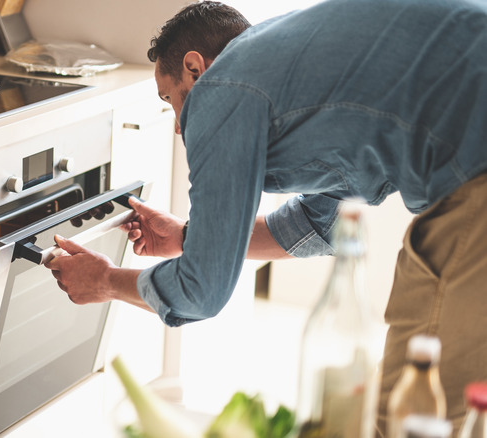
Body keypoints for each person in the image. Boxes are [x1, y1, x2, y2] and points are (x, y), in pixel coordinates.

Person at [45, 0, 487, 434]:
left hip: (474, 174)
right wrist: (187, 237)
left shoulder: (222, 88)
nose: (179, 125)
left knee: (411, 413)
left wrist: (104, 281)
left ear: (196, 69)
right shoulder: (297, 72)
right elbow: (322, 226)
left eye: (171, 99)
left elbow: (201, 292)